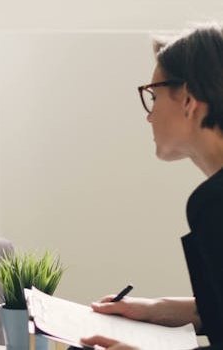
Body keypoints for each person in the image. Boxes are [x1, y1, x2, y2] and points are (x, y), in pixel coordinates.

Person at [82, 24, 223, 350]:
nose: (149, 116)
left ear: (188, 100)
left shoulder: (214, 202)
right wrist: (159, 309)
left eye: (154, 95)